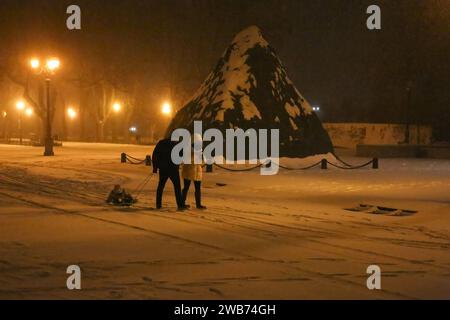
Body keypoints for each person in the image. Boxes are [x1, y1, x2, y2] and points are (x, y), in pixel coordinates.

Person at [152, 138, 187, 210]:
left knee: (161, 186)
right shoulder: (178, 144)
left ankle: (158, 204)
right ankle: (180, 205)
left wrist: (155, 167)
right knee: (177, 187)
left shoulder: (162, 143)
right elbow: (182, 155)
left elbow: (155, 155)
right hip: (172, 169)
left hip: (164, 168)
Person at [181, 135, 206, 209]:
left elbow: (200, 163)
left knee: (197, 188)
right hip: (188, 171)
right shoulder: (189, 151)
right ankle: (182, 202)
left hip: (197, 172)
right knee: (186, 188)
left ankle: (198, 204)